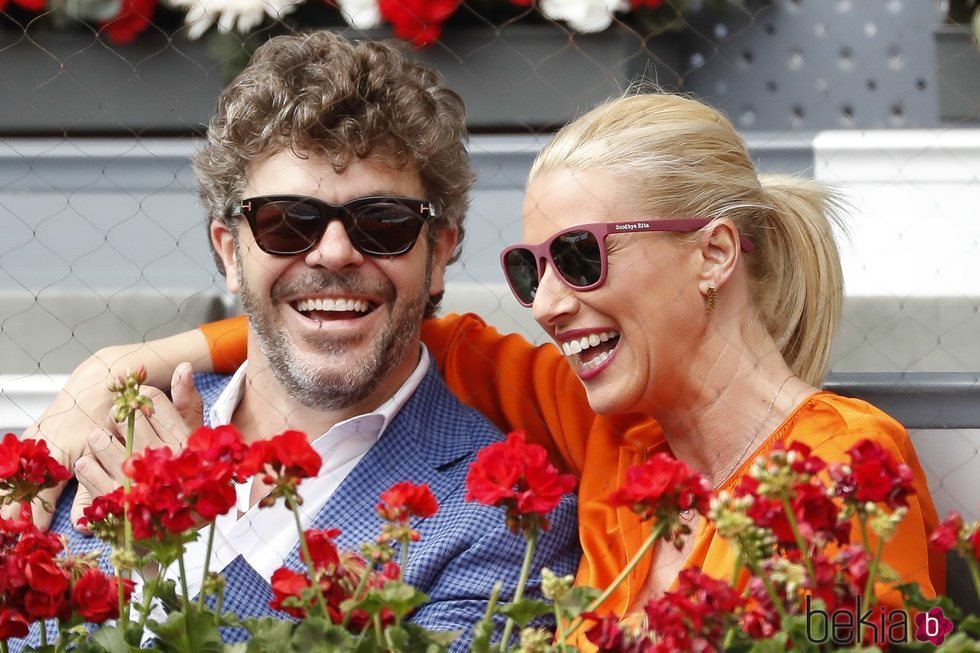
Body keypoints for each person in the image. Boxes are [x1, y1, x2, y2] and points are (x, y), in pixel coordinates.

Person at [24, 93, 942, 647]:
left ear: (712, 255)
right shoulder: (605, 423)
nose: (544, 303)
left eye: (580, 257)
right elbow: (356, 315)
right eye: (528, 267)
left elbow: (910, 637)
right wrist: (127, 363)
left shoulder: (848, 462)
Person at [9, 30, 580, 650]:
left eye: (382, 222)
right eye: (286, 222)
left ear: (439, 254)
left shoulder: (511, 517)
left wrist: (177, 556)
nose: (334, 253)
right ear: (230, 253)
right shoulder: (103, 432)